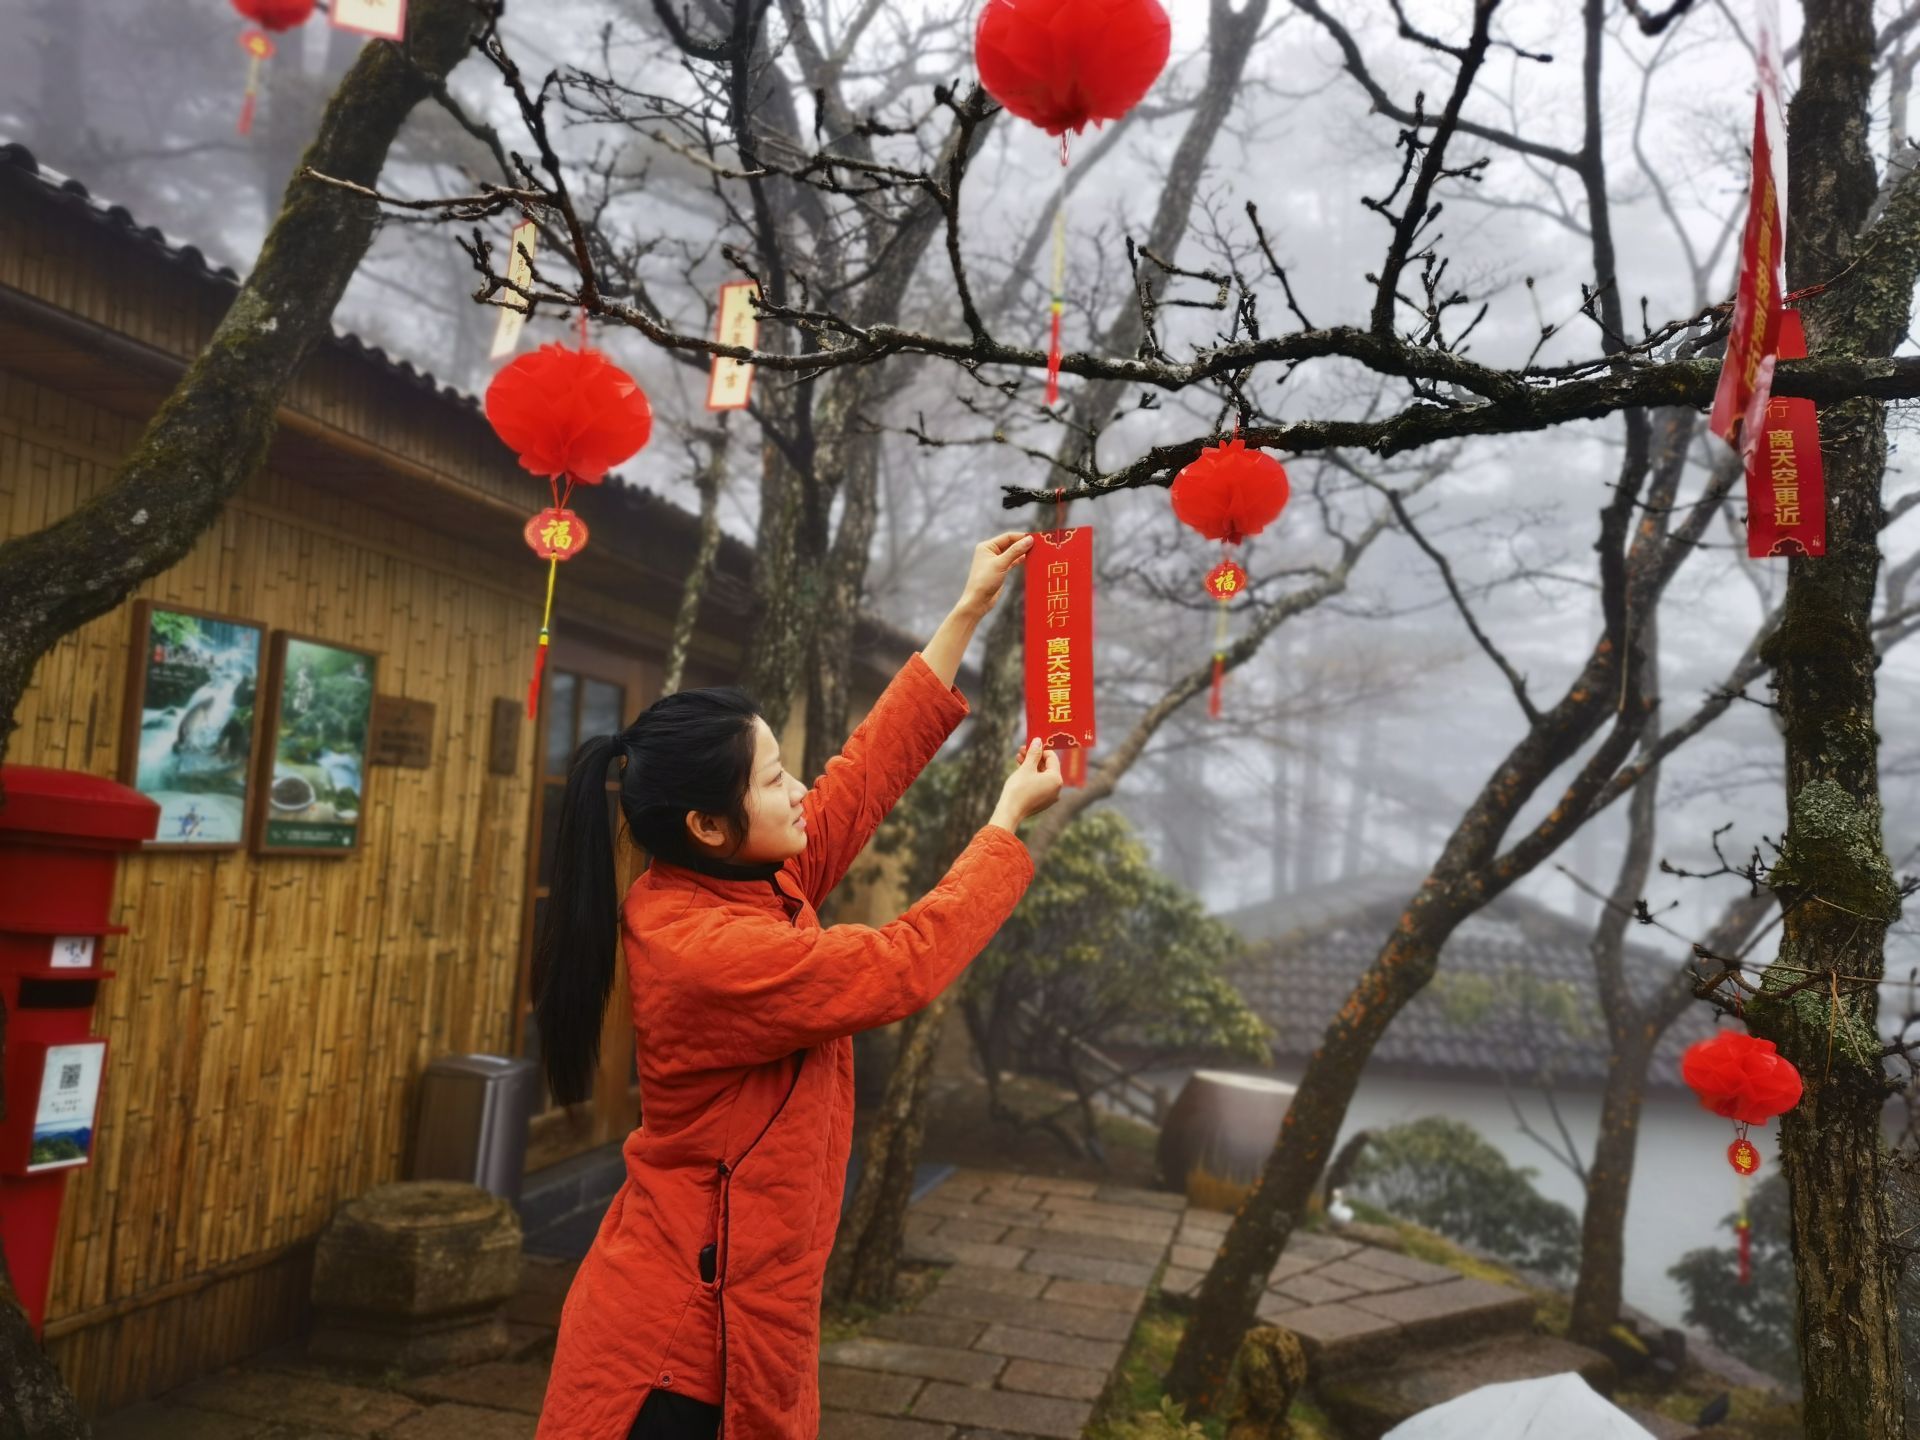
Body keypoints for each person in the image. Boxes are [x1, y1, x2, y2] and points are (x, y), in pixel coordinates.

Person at [531, 533, 1063, 1440]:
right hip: (680, 1350)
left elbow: (861, 777)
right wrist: (1005, 827)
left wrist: (969, 608)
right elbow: (900, 967)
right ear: (707, 822)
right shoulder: (710, 949)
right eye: (776, 779)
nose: (801, 788)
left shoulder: (738, 879)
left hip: (714, 1301)